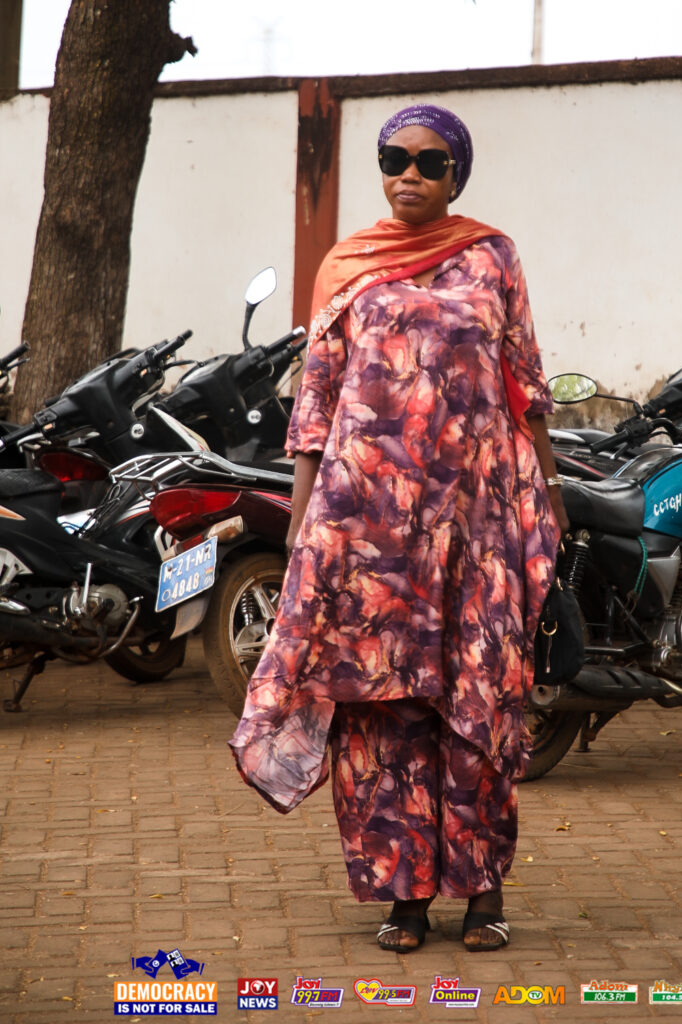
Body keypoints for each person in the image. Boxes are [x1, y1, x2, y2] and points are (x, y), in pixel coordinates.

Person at [229, 103, 569, 953]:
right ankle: (404, 896)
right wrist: (303, 517)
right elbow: (316, 395)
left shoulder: (493, 256)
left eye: (428, 161)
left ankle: (483, 893)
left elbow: (523, 377)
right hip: (365, 528)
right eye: (393, 159)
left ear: (456, 174)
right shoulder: (348, 264)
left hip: (474, 519)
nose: (408, 174)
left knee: (478, 697)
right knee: (380, 709)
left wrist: (549, 489)